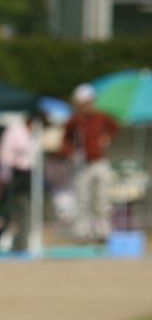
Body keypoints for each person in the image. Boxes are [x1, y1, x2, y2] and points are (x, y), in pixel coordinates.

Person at [60, 83, 119, 241]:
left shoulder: (102, 117)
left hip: (100, 163)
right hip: (82, 165)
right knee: (82, 200)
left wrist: (107, 139)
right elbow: (65, 141)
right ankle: (82, 234)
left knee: (102, 200)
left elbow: (115, 128)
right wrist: (72, 153)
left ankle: (103, 233)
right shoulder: (75, 121)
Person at [0, 114, 39, 252]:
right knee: (19, 210)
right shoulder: (14, 131)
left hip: (29, 175)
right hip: (16, 175)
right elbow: (5, 155)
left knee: (26, 210)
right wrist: (5, 177)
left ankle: (22, 243)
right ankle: (18, 244)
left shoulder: (34, 133)